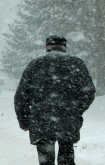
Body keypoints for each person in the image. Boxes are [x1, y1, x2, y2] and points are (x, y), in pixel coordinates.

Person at [14, 35, 95, 165]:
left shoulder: (35, 64)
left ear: (47, 47)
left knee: (45, 159)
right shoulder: (76, 63)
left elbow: (21, 96)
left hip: (41, 120)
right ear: (64, 47)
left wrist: (24, 120)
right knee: (67, 157)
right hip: (68, 120)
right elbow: (88, 92)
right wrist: (75, 109)